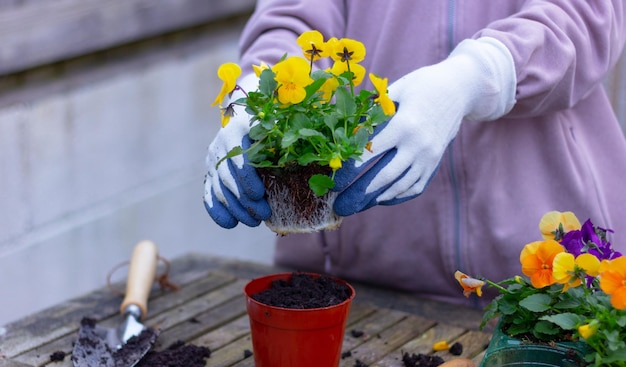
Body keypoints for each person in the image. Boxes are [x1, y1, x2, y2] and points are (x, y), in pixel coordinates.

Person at [204, 1, 626, 307]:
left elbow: (590, 14)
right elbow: (291, 18)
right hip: (369, 290)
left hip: (553, 283)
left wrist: (480, 74)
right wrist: (262, 91)